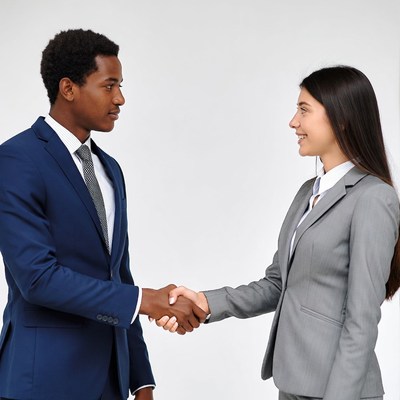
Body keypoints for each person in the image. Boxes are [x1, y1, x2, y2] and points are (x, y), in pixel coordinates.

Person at [157, 66, 400, 400]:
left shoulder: (373, 198)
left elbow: (363, 320)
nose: (293, 122)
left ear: (342, 118)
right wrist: (205, 302)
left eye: (304, 110)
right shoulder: (307, 192)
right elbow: (277, 283)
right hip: (293, 384)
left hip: (342, 390)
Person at [0, 29, 206, 400]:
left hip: (111, 381)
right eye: (109, 86)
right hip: (44, 381)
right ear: (69, 88)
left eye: (120, 86)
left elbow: (119, 275)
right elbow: (36, 278)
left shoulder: (109, 169)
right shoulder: (16, 160)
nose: (120, 98)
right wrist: (144, 300)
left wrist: (141, 379)